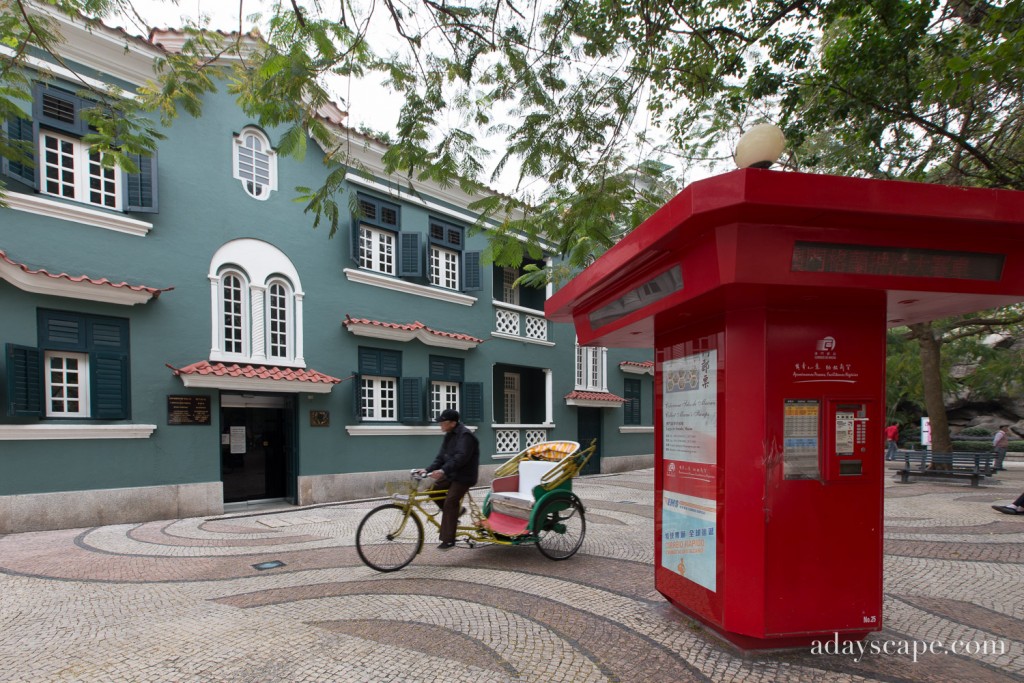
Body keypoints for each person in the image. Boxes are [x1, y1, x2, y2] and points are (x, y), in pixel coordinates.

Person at [417, 409, 480, 550]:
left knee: (450, 502)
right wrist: (427, 470)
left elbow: (460, 458)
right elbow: (441, 457)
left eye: (442, 422)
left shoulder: (466, 436)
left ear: (452, 423)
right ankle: (456, 513)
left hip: (464, 477)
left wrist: (443, 470)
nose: (440, 425)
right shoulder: (449, 435)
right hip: (452, 474)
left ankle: (449, 540)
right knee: (432, 490)